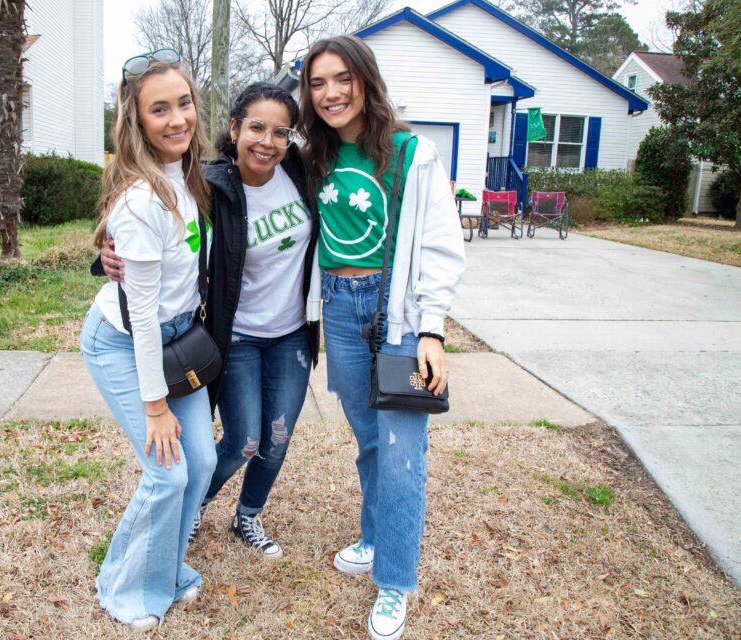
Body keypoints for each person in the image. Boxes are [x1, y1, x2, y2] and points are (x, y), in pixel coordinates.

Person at [101, 82, 321, 560]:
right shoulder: (210, 185)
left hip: (291, 335)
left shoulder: (301, 172)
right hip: (236, 335)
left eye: (281, 132)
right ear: (234, 128)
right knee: (244, 439)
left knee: (278, 438)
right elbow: (147, 225)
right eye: (257, 128)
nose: (268, 142)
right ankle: (197, 503)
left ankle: (248, 516)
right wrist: (106, 257)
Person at [298, 35, 465, 640]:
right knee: (369, 440)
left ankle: (394, 580)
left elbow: (442, 243)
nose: (331, 93)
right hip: (339, 310)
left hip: (396, 313)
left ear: (365, 80)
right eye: (318, 83)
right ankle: (374, 535)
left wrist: (431, 328)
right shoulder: (311, 156)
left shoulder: (411, 154)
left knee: (401, 454)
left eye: (342, 78)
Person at [79, 48, 217, 632]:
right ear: (136, 120)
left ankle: (165, 568)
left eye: (184, 103)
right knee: (168, 473)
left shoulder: (185, 175)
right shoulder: (141, 200)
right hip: (125, 342)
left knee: (201, 461)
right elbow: (139, 316)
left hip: (176, 339)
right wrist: (156, 408)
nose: (177, 118)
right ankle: (126, 588)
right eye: (159, 109)